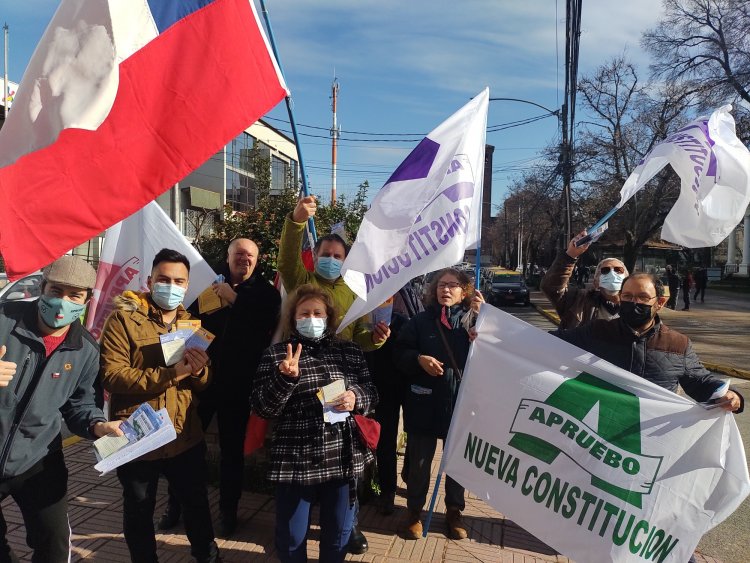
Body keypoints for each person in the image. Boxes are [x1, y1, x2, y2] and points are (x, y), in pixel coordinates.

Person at [278, 195, 390, 553]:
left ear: (347, 261)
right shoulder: (303, 279)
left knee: (344, 459)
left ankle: (347, 524)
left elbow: (360, 339)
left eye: (337, 256)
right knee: (303, 452)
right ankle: (297, 523)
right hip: (301, 372)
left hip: (342, 377)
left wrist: (375, 339)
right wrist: (296, 222)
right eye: (324, 253)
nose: (329, 259)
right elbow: (286, 258)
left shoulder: (356, 291)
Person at [100, 249, 220, 563]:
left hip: (184, 435)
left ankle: (207, 556)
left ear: (187, 284)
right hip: (137, 435)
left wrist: (200, 370)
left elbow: (202, 384)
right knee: (139, 508)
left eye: (179, 281)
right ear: (151, 280)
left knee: (196, 504)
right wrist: (172, 373)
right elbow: (113, 376)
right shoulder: (123, 320)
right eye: (164, 279)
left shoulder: (191, 324)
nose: (171, 286)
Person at [0, 255, 123, 562]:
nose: (62, 302)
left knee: (54, 542)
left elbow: (81, 405)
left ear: (86, 300)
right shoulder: (4, 318)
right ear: (42, 287)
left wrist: (98, 426)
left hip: (39, 459)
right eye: (56, 291)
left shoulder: (86, 350)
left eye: (74, 295)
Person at [158, 238, 281, 537]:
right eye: (238, 254)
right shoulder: (208, 287)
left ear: (257, 259)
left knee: (231, 453)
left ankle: (228, 510)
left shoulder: (265, 293)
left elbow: (265, 326)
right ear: (227, 258)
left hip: (239, 386)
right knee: (183, 447)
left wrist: (236, 300)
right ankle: (176, 505)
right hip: (201, 382)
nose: (244, 259)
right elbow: (188, 321)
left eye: (250, 255)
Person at [252, 285, 378, 563]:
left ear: (329, 316)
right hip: (295, 459)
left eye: (317, 312)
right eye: (304, 313)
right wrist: (285, 379)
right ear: (294, 318)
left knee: (337, 538)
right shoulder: (277, 355)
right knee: (291, 538)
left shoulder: (349, 351)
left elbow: (372, 393)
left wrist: (356, 397)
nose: (311, 318)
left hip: (342, 457)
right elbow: (263, 407)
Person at [554, 273, 743, 411]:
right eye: (627, 296)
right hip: (596, 436)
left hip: (649, 443)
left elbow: (701, 381)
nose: (634, 302)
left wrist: (731, 395)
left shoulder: (678, 344)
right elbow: (548, 344)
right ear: (620, 298)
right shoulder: (597, 331)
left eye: (643, 297)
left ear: (659, 303)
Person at [394, 268, 484, 541]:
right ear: (434, 291)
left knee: (456, 463)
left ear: (464, 291)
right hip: (423, 402)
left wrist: (483, 324)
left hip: (460, 402)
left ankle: (454, 512)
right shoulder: (419, 322)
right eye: (441, 285)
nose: (446, 290)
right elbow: (400, 352)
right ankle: (413, 512)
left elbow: (494, 356)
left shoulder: (475, 322)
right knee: (420, 463)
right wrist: (419, 359)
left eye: (453, 285)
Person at [365, 281, 424, 516]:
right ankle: (387, 489)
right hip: (382, 377)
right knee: (386, 437)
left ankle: (409, 476)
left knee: (414, 430)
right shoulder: (372, 291)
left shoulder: (412, 294)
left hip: (411, 377)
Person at [541, 231, 629, 329]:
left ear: (627, 280)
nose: (612, 274)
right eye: (605, 271)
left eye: (618, 270)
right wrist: (570, 255)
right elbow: (551, 287)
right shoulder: (579, 301)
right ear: (596, 282)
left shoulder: (637, 307)